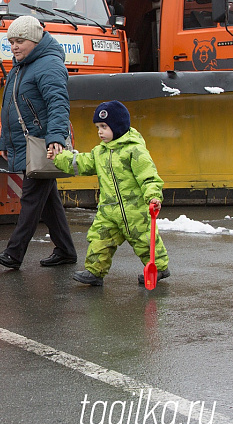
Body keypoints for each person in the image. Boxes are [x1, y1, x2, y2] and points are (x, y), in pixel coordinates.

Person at [51, 100, 170, 286]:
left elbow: (148, 176)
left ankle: (159, 267)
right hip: (108, 210)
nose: (100, 131)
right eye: (98, 127)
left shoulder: (134, 150)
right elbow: (82, 163)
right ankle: (94, 272)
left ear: (118, 126)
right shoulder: (100, 152)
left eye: (104, 127)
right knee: (100, 239)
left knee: (144, 240)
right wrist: (60, 157)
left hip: (134, 211)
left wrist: (153, 195)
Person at [0, 15, 78, 270]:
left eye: (20, 41)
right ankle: (65, 250)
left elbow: (58, 105)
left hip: (42, 144)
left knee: (31, 199)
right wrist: (5, 142)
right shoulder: (21, 66)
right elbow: (10, 109)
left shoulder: (49, 65)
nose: (14, 47)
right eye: (11, 42)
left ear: (34, 40)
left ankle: (14, 253)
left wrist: (56, 139)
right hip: (28, 144)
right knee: (48, 201)